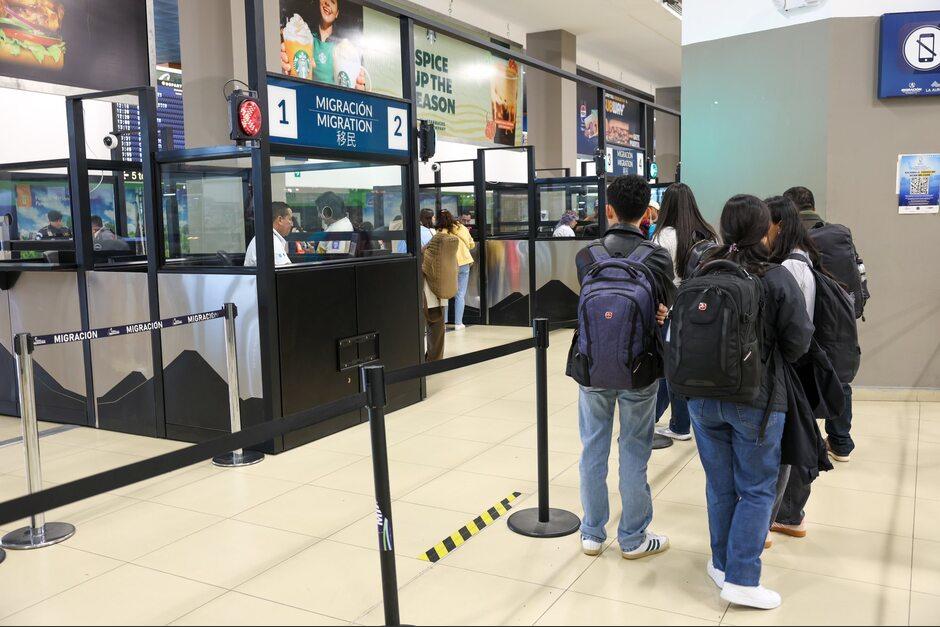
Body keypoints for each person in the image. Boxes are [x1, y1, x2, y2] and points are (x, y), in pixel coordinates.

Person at [685, 195, 813, 610]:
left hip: (701, 398)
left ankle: (721, 564)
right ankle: (742, 577)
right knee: (756, 489)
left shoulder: (703, 268)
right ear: (764, 230)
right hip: (756, 400)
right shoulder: (775, 277)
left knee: (719, 486)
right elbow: (798, 341)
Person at [573, 174, 676, 560]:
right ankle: (633, 537)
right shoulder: (658, 256)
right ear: (647, 211)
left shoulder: (587, 255)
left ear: (609, 210)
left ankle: (592, 533)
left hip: (593, 365)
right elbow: (667, 306)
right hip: (640, 367)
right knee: (634, 448)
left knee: (592, 447)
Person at [784, 186, 865, 462]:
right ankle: (841, 442)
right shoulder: (838, 235)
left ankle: (807, 443)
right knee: (839, 379)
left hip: (805, 321)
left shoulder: (790, 240)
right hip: (838, 319)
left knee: (801, 379)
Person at [652, 183, 719, 441]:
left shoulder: (662, 237)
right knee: (687, 365)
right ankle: (681, 421)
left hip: (671, 310)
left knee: (669, 368)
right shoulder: (708, 235)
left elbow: (657, 278)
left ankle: (678, 424)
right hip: (703, 310)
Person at [280, 0, 367, 89]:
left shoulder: (344, 47)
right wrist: (285, 68)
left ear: (337, 13)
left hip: (333, 99)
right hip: (307, 93)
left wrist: (358, 86)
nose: (327, 3)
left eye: (333, 2)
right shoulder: (305, 36)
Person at [437, 209, 475, 330]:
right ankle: (459, 323)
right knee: (460, 294)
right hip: (464, 262)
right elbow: (471, 244)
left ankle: (443, 323)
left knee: (445, 293)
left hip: (448, 264)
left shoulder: (439, 231)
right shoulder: (461, 228)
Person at [244, 201, 294, 267]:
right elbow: (286, 272)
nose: (292, 224)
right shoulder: (270, 241)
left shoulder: (266, 237)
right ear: (280, 220)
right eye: (290, 219)